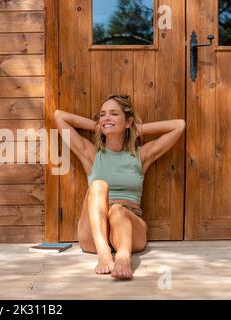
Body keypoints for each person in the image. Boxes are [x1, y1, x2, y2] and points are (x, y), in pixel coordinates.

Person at [54, 94, 186, 279]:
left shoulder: (140, 156)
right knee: (98, 185)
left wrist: (134, 129)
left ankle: (123, 258)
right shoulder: (91, 154)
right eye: (102, 115)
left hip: (129, 229)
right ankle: (104, 253)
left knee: (117, 210)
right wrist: (101, 126)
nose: (106, 118)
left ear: (128, 121)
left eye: (114, 114)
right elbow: (59, 116)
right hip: (93, 234)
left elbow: (179, 125)